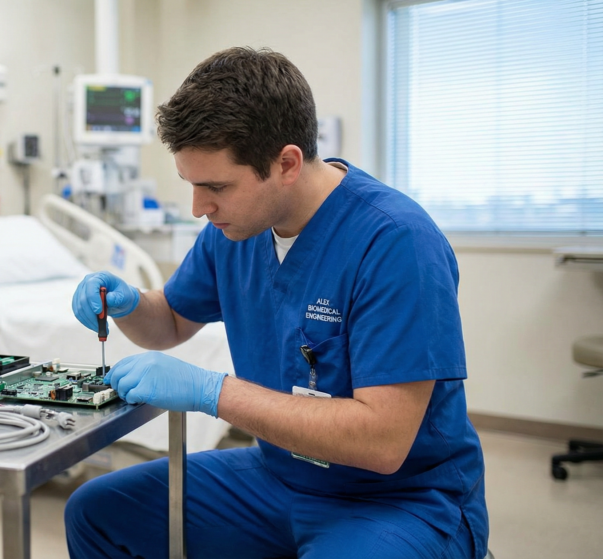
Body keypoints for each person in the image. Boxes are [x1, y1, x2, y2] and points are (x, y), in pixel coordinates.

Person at [65, 47, 488, 559]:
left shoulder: (396, 241)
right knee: (96, 513)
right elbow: (171, 321)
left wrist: (212, 391)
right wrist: (129, 304)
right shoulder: (234, 230)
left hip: (397, 498)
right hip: (278, 474)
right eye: (192, 185)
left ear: (286, 163)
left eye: (216, 186)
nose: (200, 208)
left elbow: (382, 440)